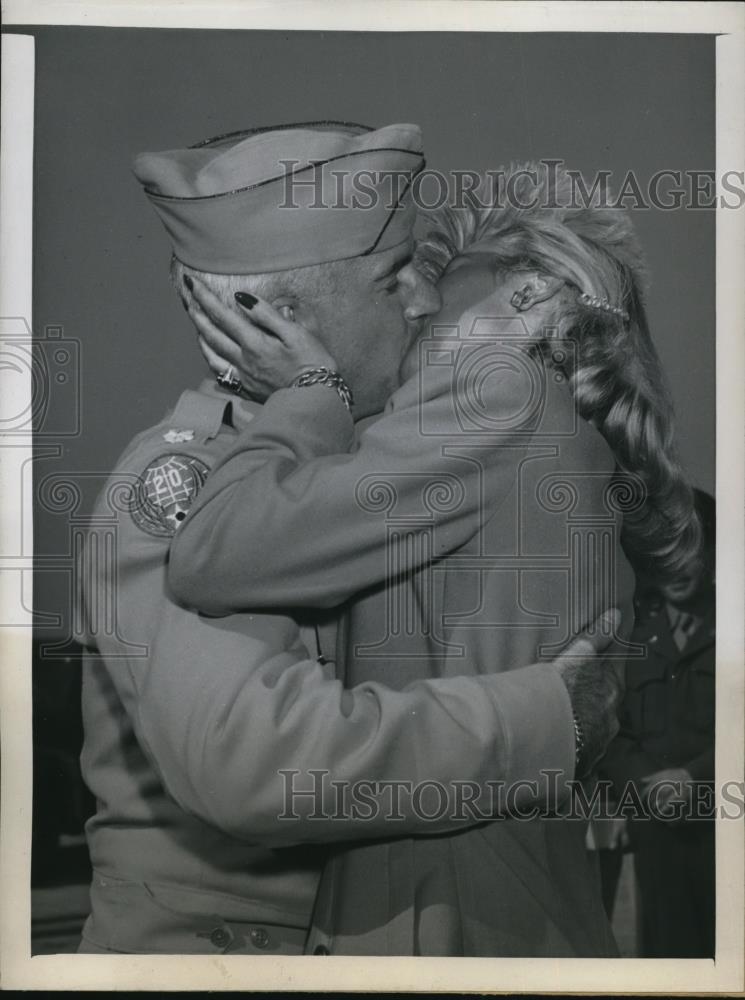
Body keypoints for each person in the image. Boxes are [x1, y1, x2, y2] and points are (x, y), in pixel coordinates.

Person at [75, 123, 620, 955]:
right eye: (392, 277)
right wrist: (544, 718)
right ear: (271, 314)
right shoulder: (181, 482)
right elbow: (256, 764)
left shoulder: (376, 456)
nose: (424, 301)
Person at [168, 165, 702, 954]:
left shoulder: (499, 394)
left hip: (432, 899)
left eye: (434, 297)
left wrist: (311, 390)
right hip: (516, 897)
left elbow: (215, 553)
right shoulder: (567, 443)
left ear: (528, 299)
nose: (413, 316)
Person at [601, 489, 715, 957]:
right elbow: (612, 735)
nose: (676, 565)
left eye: (688, 549)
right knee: (667, 960)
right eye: (665, 552)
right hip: (656, 832)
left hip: (724, 830)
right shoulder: (634, 638)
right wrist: (647, 787)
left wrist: (695, 777)